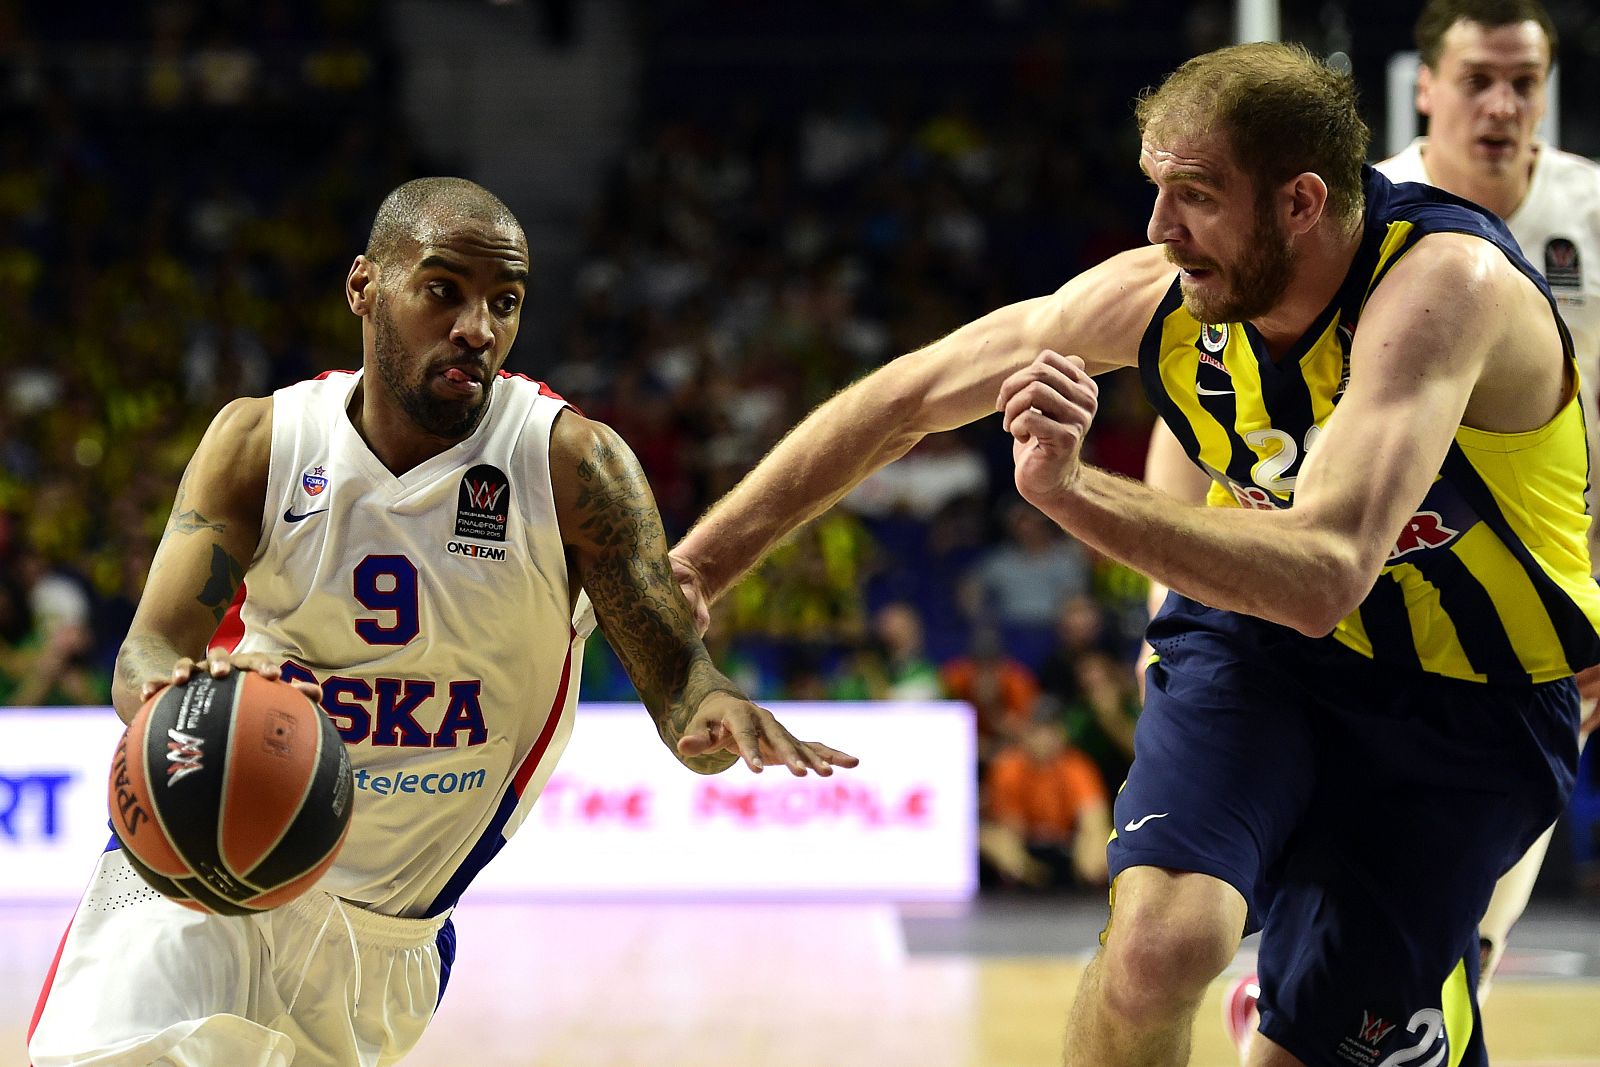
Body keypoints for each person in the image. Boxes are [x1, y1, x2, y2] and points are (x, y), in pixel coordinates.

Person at [672, 42, 1600, 1067]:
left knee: (1325, 1046)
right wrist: (699, 566)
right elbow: (905, 397)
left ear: (1299, 202)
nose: (1160, 230)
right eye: (1156, 190)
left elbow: (1327, 566)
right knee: (1158, 941)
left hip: (1467, 696)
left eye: (1195, 196)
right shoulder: (1158, 294)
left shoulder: (1445, 284)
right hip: (1262, 654)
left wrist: (1070, 491)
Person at [27, 177, 857, 1067]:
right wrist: (168, 691)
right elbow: (146, 649)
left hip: (382, 942)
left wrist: (714, 708)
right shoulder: (261, 443)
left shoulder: (572, 467)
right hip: (202, 866)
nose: (478, 327)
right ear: (364, 288)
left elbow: (680, 682)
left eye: (505, 303)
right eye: (443, 290)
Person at [1197, 2, 1600, 1046]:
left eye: (1525, 80)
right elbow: (1201, 385)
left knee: (1470, 913)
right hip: (1356, 601)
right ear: (1421, 87)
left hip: (1538, 604)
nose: (1504, 105)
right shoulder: (1351, 214)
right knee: (1389, 907)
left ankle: (1330, 1006)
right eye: (1477, 79)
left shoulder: (1591, 212)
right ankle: (1310, 998)